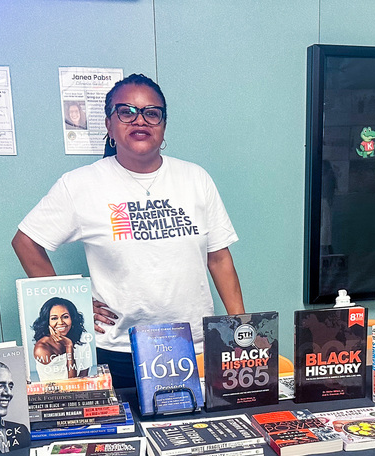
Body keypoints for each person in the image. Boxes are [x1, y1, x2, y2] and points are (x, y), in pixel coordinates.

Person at [12, 73, 245, 388]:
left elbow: (218, 258)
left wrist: (240, 331)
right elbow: (26, 241)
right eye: (127, 112)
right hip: (119, 351)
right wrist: (71, 302)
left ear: (163, 125)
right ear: (109, 125)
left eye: (152, 113)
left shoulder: (195, 179)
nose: (140, 121)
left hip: (196, 346)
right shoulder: (80, 185)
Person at [31, 296, 94, 381]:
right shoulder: (42, 348)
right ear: (47, 321)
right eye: (54, 318)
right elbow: (71, 383)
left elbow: (84, 377)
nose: (60, 322)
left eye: (65, 317)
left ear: (72, 318)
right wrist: (69, 346)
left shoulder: (82, 338)